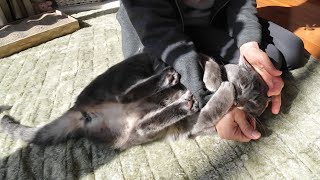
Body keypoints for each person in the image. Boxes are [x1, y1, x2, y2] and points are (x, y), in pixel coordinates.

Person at [116, 0, 306, 142]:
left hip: (210, 21)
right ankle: (195, 65)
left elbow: (240, 3)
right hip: (161, 33)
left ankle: (200, 58)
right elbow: (162, 39)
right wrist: (215, 107)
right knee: (157, 82)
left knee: (287, 53)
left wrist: (249, 44)